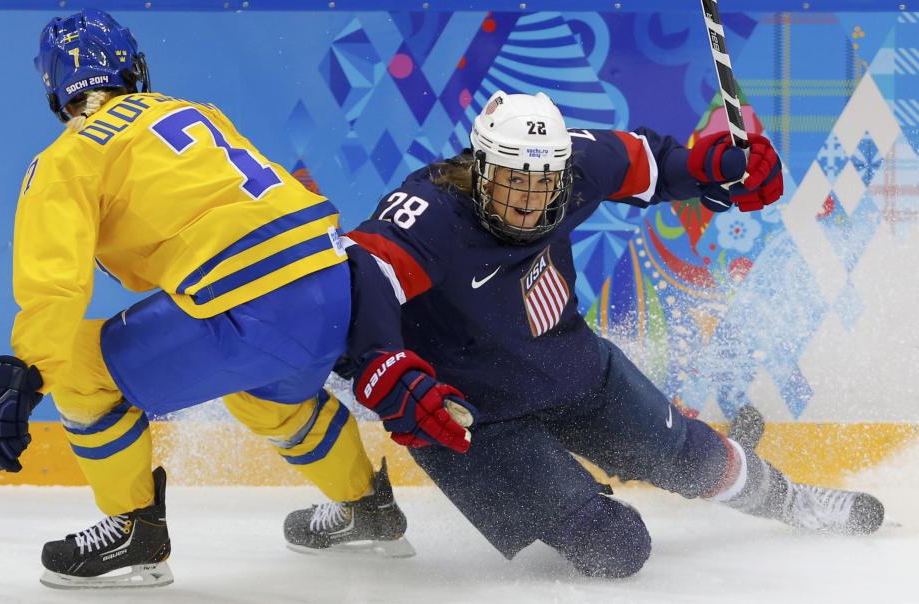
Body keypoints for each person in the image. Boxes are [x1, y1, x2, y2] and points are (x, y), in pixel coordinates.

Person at [284, 90, 885, 577]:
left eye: (542, 181)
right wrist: (383, 368)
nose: (528, 200)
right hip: (468, 419)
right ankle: (363, 506)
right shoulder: (433, 209)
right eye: (512, 181)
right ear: (479, 166)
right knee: (618, 548)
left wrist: (716, 168)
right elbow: (366, 273)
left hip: (567, 368)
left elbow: (655, 163)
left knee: (695, 459)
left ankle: (789, 499)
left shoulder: (575, 167)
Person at [0, 8, 466, 589]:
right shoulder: (193, 111)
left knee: (77, 368)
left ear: (56, 91)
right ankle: (368, 508)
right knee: (262, 396)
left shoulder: (66, 158)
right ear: (133, 67)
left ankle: (134, 532)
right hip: (331, 280)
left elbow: (54, 285)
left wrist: (24, 368)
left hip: (252, 301)